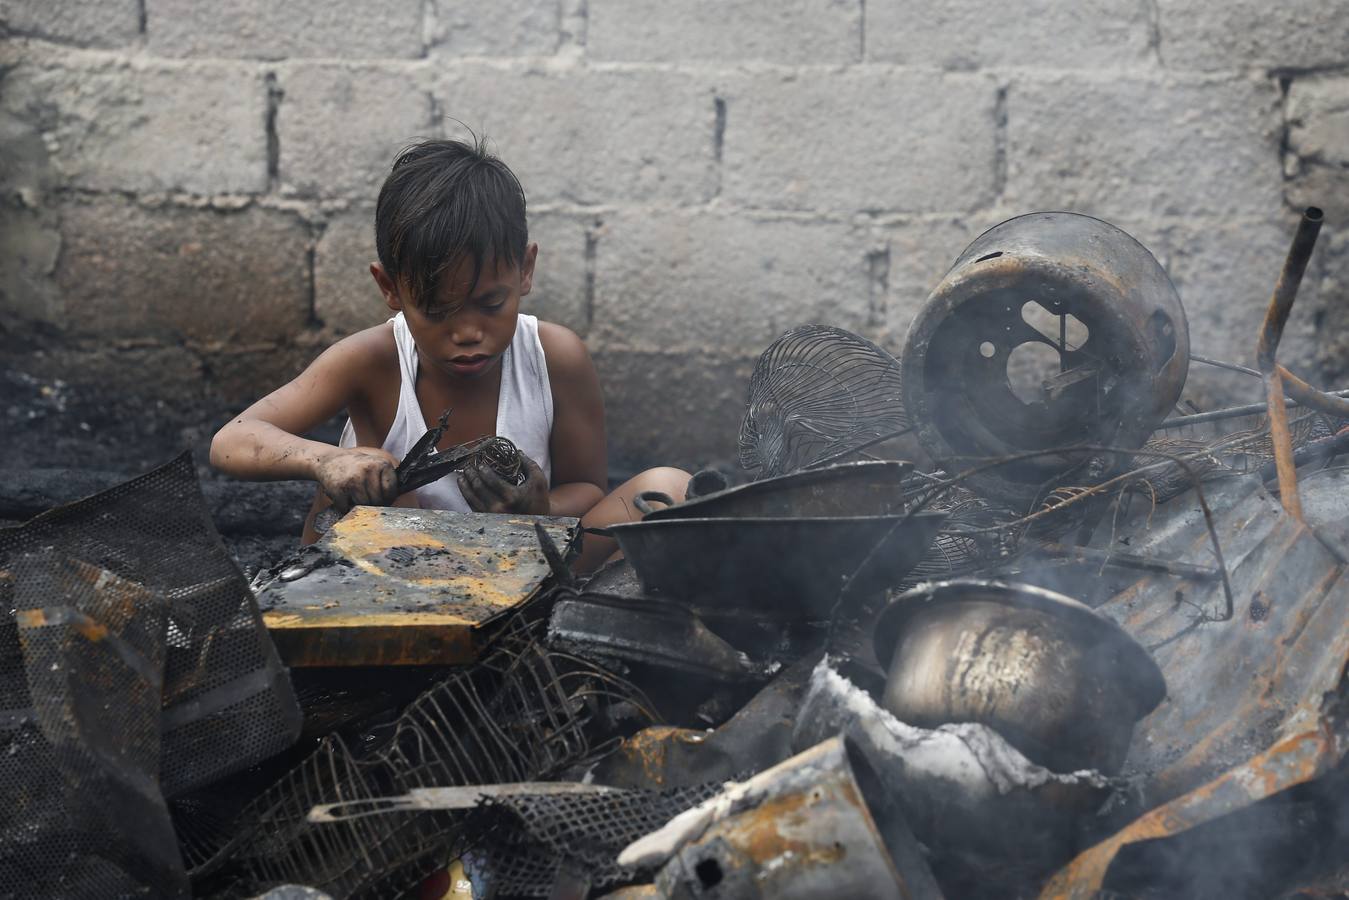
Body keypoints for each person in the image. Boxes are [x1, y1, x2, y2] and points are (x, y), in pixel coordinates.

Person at [210, 136, 689, 573]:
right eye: (438, 311)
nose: (467, 332)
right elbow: (232, 440)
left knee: (669, 489)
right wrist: (326, 461)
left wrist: (540, 509)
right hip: (394, 580)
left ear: (525, 270)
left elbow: (588, 490)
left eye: (491, 304)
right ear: (390, 288)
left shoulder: (555, 357)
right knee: (379, 487)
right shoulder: (372, 360)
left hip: (528, 570)